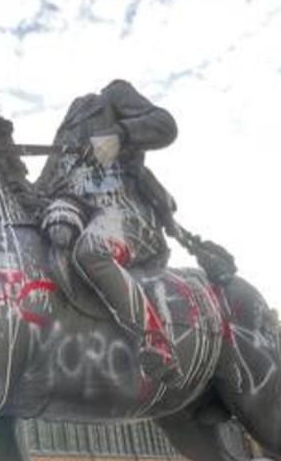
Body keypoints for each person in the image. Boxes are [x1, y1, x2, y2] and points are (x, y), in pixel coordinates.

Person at [34, 79, 183, 386]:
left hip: (123, 211)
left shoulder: (112, 96)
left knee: (93, 250)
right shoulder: (63, 136)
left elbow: (164, 125)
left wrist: (120, 133)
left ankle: (155, 341)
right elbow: (42, 188)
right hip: (72, 210)